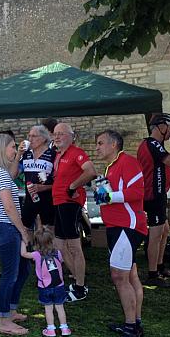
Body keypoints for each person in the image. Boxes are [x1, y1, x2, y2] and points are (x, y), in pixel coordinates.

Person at [94, 130, 148, 337]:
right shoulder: (111, 167)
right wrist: (102, 194)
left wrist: (109, 196)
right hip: (116, 227)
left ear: (114, 144)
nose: (96, 147)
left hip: (128, 226)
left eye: (100, 143)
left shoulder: (128, 162)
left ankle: (130, 329)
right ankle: (135, 323)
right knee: (130, 275)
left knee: (119, 277)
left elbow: (137, 192)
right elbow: (111, 196)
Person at [0, 134, 31, 336]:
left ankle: (10, 311)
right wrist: (23, 230)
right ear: (3, 149)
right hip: (6, 227)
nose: (15, 149)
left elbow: (10, 176)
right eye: (13, 147)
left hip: (3, 226)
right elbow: (9, 206)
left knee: (22, 271)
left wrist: (19, 156)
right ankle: (4, 320)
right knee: (10, 274)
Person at [52, 122, 97, 302]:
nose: (57, 137)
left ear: (72, 136)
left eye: (61, 133)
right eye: (55, 133)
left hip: (69, 203)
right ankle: (78, 281)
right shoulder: (59, 155)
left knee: (74, 246)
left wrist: (72, 186)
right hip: (59, 203)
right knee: (59, 246)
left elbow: (91, 171)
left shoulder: (76, 153)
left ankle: (80, 287)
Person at [137, 112, 170, 288]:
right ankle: (152, 273)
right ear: (161, 127)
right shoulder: (153, 144)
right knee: (155, 235)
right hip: (153, 194)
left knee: (164, 230)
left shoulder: (154, 144)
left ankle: (160, 265)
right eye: (169, 128)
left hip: (157, 193)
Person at [20, 227, 71, 337]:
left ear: (36, 243)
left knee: (48, 308)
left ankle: (51, 329)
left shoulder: (36, 255)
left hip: (44, 287)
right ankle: (64, 328)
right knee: (60, 307)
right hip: (59, 285)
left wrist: (23, 241)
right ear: (52, 241)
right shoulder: (58, 253)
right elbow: (61, 261)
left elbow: (23, 254)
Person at [21, 125, 56, 238]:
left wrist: (43, 187)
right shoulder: (26, 154)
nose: (30, 139)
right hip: (30, 198)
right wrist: (18, 155)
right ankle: (29, 253)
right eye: (29, 136)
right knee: (25, 228)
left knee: (47, 230)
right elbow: (14, 173)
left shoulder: (53, 155)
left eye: (34, 136)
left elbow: (60, 182)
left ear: (43, 139)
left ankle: (49, 254)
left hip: (47, 199)